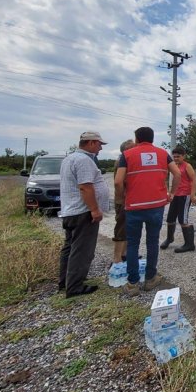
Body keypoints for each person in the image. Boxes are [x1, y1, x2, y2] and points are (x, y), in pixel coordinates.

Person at [115, 127, 181, 295]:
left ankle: (132, 284)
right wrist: (172, 193)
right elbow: (177, 174)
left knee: (133, 244)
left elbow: (117, 182)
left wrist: (121, 199)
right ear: (152, 138)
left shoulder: (127, 155)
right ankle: (150, 279)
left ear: (136, 139)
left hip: (134, 207)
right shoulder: (162, 153)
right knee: (152, 242)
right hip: (156, 206)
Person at [59, 131, 110, 298]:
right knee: (81, 250)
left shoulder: (70, 158)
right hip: (82, 212)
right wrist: (94, 209)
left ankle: (65, 281)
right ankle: (74, 287)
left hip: (71, 211)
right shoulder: (83, 161)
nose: (101, 148)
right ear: (90, 143)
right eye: (99, 144)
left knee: (70, 247)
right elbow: (85, 187)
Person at [160, 145, 196, 253]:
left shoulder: (187, 166)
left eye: (178, 156)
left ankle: (189, 244)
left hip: (185, 195)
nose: (176, 158)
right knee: (170, 219)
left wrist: (193, 195)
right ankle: (169, 238)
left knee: (183, 220)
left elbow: (194, 180)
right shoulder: (174, 165)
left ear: (183, 156)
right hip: (176, 195)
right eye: (174, 156)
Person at [112, 139, 135, 264]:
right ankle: (117, 258)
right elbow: (119, 182)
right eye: (133, 148)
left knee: (128, 228)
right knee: (121, 228)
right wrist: (121, 199)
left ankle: (125, 254)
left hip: (128, 199)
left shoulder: (125, 160)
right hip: (123, 200)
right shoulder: (122, 162)